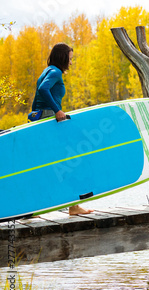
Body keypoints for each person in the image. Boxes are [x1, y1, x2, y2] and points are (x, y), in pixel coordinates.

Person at [32, 42, 93, 216]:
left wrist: (34, 116)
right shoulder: (56, 72)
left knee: (49, 162)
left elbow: (38, 93)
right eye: (70, 58)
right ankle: (73, 206)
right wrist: (57, 110)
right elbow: (43, 90)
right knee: (71, 158)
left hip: (42, 118)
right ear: (63, 57)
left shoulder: (47, 71)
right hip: (50, 119)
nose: (71, 63)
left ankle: (35, 206)